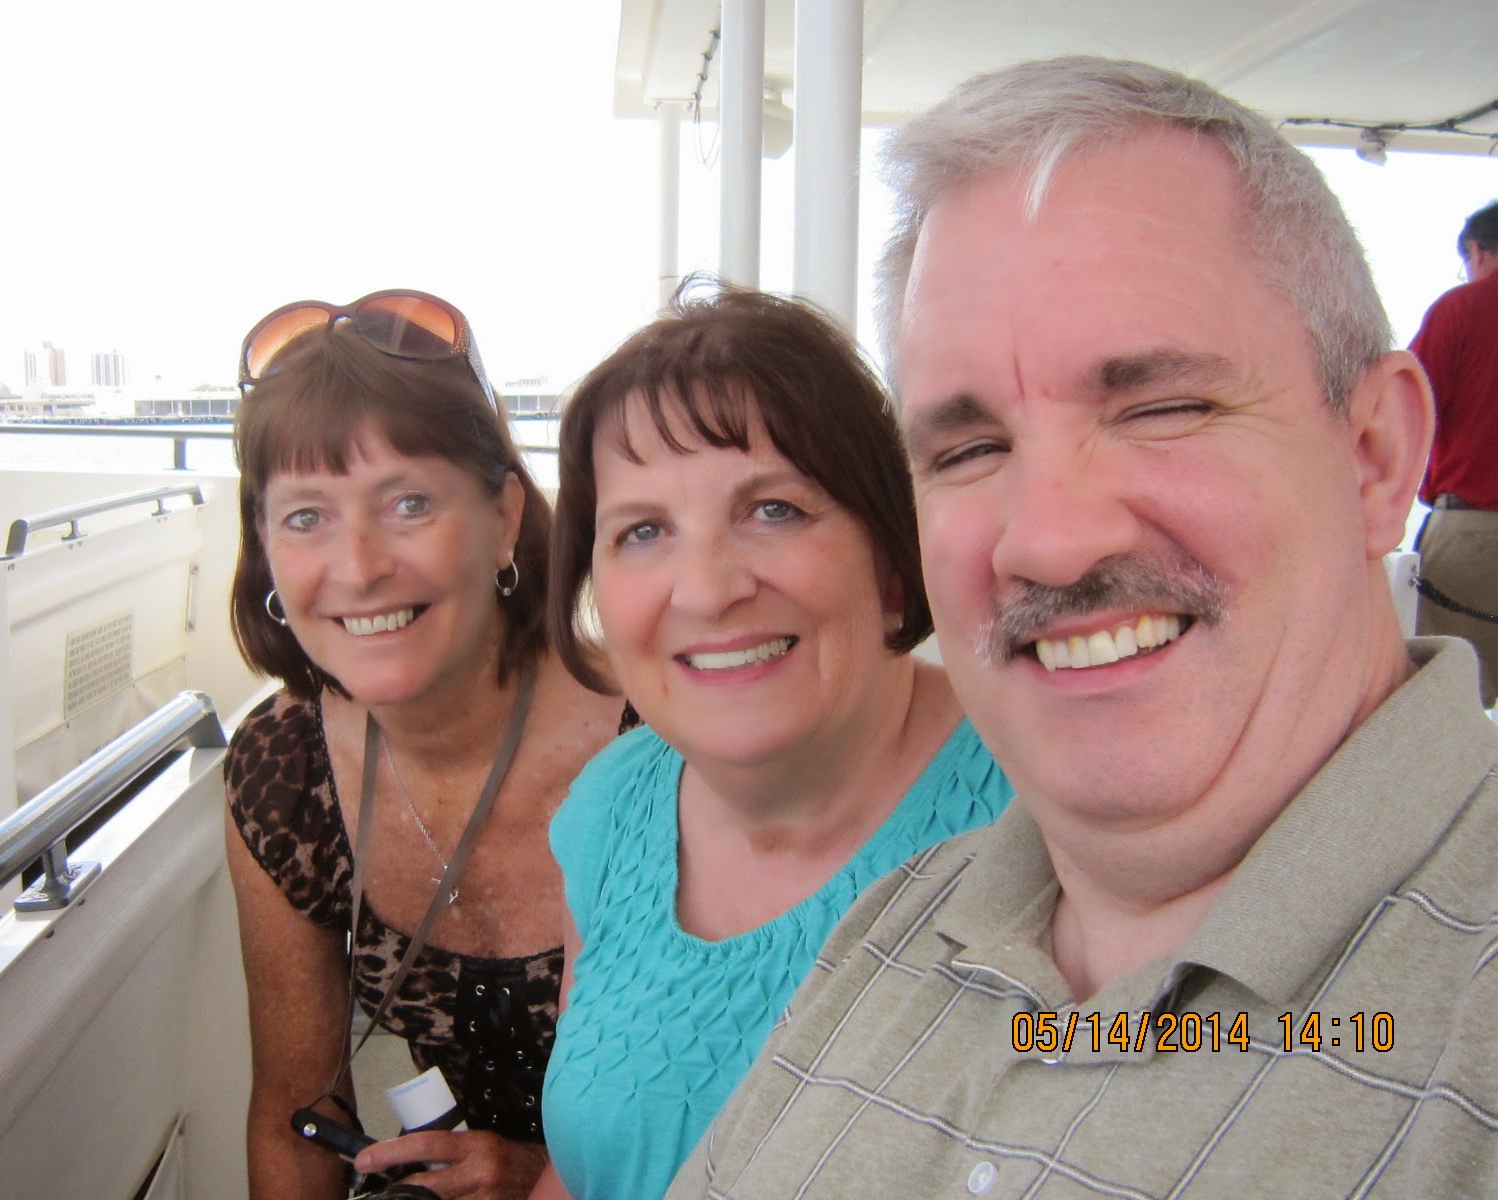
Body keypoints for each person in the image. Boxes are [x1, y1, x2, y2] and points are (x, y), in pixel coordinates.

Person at [669, 57, 1498, 1198]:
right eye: (967, 450)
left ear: (1373, 458)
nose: (1047, 541)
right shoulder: (896, 922)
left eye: (1160, 408)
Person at [525, 284, 1012, 1199]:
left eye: (774, 509)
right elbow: (584, 1166)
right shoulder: (611, 807)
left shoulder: (1038, 795)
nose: (705, 590)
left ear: (891, 563)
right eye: (642, 531)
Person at [222, 289, 621, 1200]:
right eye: (306, 516)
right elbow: (293, 1115)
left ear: (504, 520)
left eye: (408, 502)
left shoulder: (658, 743)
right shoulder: (284, 778)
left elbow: (784, 1086)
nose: (358, 567)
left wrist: (544, 1179)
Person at [1410, 200, 1498, 706]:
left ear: (1477, 250)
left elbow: (1405, 413)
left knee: (1454, 701)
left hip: (1476, 536)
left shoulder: (1463, 308)